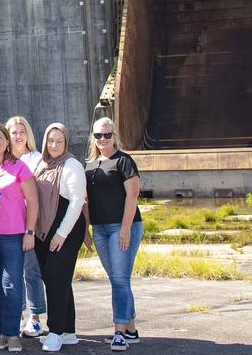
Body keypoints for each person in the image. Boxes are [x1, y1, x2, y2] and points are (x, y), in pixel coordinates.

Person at [83, 117, 143, 353]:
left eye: (107, 135)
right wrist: (86, 229)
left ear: (114, 136)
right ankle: (131, 328)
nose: (103, 139)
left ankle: (119, 332)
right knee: (118, 279)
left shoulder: (124, 161)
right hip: (100, 228)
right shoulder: (90, 164)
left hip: (122, 227)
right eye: (98, 135)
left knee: (119, 279)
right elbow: (86, 200)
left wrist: (126, 228)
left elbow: (133, 194)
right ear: (93, 137)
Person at [0, 122, 38, 352]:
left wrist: (30, 231)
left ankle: (13, 333)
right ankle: (0, 332)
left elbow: (32, 201)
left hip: (14, 235)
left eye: (0, 138)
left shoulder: (19, 167)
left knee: (11, 285)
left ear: (7, 141)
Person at [32, 124, 86, 353]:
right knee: (59, 280)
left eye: (59, 141)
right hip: (45, 228)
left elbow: (76, 201)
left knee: (55, 279)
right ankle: (69, 330)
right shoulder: (42, 164)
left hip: (66, 228)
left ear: (66, 143)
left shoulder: (71, 164)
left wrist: (61, 234)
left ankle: (54, 332)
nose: (54, 145)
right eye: (50, 141)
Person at [6, 116, 45, 339]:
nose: (18, 136)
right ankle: (18, 315)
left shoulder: (37, 159)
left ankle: (36, 317)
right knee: (13, 274)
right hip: (10, 226)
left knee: (31, 271)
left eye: (22, 131)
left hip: (30, 225)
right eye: (14, 132)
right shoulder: (4, 161)